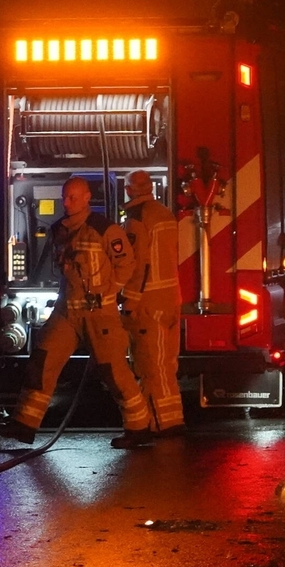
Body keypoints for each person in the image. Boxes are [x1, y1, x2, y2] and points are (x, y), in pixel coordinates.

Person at [0, 176, 153, 448]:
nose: (66, 202)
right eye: (64, 197)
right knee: (41, 362)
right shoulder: (59, 230)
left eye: (72, 197)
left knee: (113, 372)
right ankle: (24, 424)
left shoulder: (105, 230)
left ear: (88, 198)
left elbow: (127, 264)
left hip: (99, 313)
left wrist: (110, 292)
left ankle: (139, 428)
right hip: (67, 311)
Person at [120, 170, 185, 436]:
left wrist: (129, 302)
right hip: (170, 298)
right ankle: (160, 421)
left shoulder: (137, 219)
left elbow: (138, 265)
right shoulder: (165, 213)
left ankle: (165, 424)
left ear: (128, 190)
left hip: (148, 302)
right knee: (166, 364)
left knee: (149, 366)